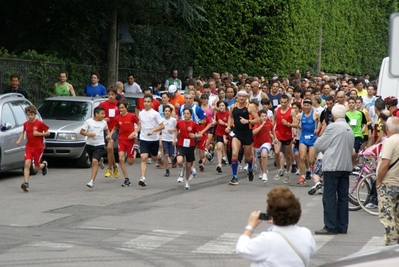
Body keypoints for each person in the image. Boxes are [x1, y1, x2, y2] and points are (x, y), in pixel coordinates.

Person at [236, 186, 315, 266]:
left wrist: (250, 227)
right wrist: (281, 221)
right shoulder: (306, 234)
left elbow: (241, 249)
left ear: (270, 213)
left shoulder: (267, 239)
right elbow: (310, 252)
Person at [314, 104, 354, 235]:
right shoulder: (349, 128)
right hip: (345, 165)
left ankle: (330, 226)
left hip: (332, 166)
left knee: (329, 197)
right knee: (342, 197)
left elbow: (319, 144)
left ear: (334, 115)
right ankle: (342, 226)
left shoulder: (333, 127)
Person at [225, 90, 260, 185]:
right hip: (236, 133)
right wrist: (228, 126)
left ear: (246, 97)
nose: (241, 98)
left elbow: (257, 120)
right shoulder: (233, 107)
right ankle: (235, 177)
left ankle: (250, 168)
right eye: (239, 96)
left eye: (243, 96)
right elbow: (230, 117)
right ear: (237, 97)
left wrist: (248, 121)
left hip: (247, 133)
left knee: (248, 156)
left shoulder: (250, 107)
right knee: (235, 152)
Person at [376, 116, 399, 245]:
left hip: (389, 184)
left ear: (388, 128)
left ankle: (391, 245)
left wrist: (378, 181)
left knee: (388, 217)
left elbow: (385, 163)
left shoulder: (390, 141)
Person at [16, 105, 50, 192]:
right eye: (28, 115)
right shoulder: (26, 124)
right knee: (27, 164)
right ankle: (26, 183)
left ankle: (44, 165)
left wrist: (39, 134)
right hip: (29, 146)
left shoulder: (39, 123)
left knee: (37, 167)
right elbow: (22, 133)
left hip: (38, 147)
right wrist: (19, 140)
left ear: (35, 114)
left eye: (31, 114)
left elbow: (48, 133)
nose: (30, 116)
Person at [110, 99, 140, 187]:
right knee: (121, 159)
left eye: (123, 107)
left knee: (130, 162)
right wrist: (110, 135)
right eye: (119, 108)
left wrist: (134, 132)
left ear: (127, 107)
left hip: (130, 140)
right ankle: (126, 179)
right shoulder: (118, 118)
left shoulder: (132, 116)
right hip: (122, 140)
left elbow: (139, 125)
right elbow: (115, 127)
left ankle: (135, 150)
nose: (121, 110)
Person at [137, 94, 165, 187]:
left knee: (154, 158)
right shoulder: (141, 113)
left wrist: (153, 130)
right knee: (143, 158)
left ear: (152, 103)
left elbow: (162, 126)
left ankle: (159, 156)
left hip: (154, 140)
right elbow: (140, 125)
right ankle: (142, 178)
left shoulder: (155, 114)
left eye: (148, 102)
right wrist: (135, 132)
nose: (146, 103)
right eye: (145, 101)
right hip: (144, 139)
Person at [80, 106, 110, 188]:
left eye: (104, 113)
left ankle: (92, 181)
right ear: (96, 114)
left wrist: (108, 135)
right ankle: (100, 161)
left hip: (99, 145)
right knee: (94, 161)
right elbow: (81, 131)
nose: (104, 115)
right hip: (90, 145)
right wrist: (89, 134)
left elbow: (107, 130)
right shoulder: (88, 122)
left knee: (94, 162)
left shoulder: (104, 122)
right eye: (102, 114)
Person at [174, 108, 203, 190]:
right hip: (181, 144)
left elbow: (200, 134)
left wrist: (195, 136)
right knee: (179, 160)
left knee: (188, 165)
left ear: (191, 115)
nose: (186, 115)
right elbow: (176, 129)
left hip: (190, 145)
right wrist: (174, 139)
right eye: (184, 113)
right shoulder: (179, 122)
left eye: (188, 113)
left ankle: (186, 182)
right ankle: (181, 167)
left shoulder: (194, 124)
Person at [273, 94, 297, 183]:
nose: (283, 104)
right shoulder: (276, 110)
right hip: (278, 134)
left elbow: (296, 124)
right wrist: (271, 132)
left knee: (288, 156)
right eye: (281, 102)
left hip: (287, 135)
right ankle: (279, 169)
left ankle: (287, 172)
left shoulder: (292, 111)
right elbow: (273, 121)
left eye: (285, 103)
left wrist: (288, 124)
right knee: (276, 152)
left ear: (288, 102)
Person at [99, 86, 120, 179]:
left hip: (115, 129)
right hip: (105, 129)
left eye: (112, 95)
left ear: (116, 95)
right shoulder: (103, 104)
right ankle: (115, 166)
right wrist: (103, 118)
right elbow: (97, 116)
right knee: (110, 149)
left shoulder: (119, 104)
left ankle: (109, 168)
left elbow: (121, 117)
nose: (111, 96)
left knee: (109, 146)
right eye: (109, 95)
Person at [252, 110, 273, 182]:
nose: (264, 118)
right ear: (259, 117)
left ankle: (264, 174)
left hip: (266, 142)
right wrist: (262, 125)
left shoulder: (269, 123)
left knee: (264, 155)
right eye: (262, 116)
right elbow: (254, 132)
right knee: (260, 160)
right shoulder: (257, 123)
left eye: (265, 116)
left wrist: (275, 138)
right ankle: (263, 170)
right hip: (257, 144)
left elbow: (272, 130)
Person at [160, 106, 177, 177]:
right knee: (165, 155)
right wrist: (159, 138)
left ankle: (174, 159)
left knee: (171, 156)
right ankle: (167, 170)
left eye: (168, 111)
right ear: (163, 112)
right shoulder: (161, 120)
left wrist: (174, 139)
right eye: (165, 111)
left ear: (170, 112)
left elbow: (177, 129)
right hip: (164, 139)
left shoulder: (173, 120)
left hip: (171, 139)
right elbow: (159, 129)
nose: (167, 112)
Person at [214, 100, 229, 173]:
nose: (221, 107)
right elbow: (216, 122)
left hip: (227, 133)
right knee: (219, 147)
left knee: (229, 148)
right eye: (219, 105)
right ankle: (219, 164)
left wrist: (224, 123)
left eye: (222, 105)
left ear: (225, 106)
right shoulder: (217, 114)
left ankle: (232, 161)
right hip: (219, 133)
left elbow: (231, 125)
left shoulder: (228, 114)